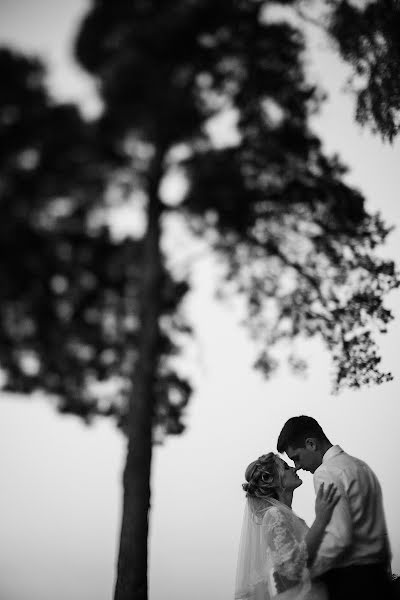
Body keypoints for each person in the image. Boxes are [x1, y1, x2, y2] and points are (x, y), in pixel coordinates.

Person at [277, 415, 393, 600]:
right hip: (380, 576)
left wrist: (305, 573)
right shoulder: (361, 466)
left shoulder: (325, 472)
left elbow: (339, 539)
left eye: (296, 458)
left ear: (311, 444)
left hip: (353, 583)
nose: (297, 466)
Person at [235, 452, 339, 600]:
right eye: (285, 467)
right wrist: (321, 519)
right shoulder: (274, 515)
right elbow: (292, 567)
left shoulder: (289, 517)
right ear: (273, 481)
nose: (294, 469)